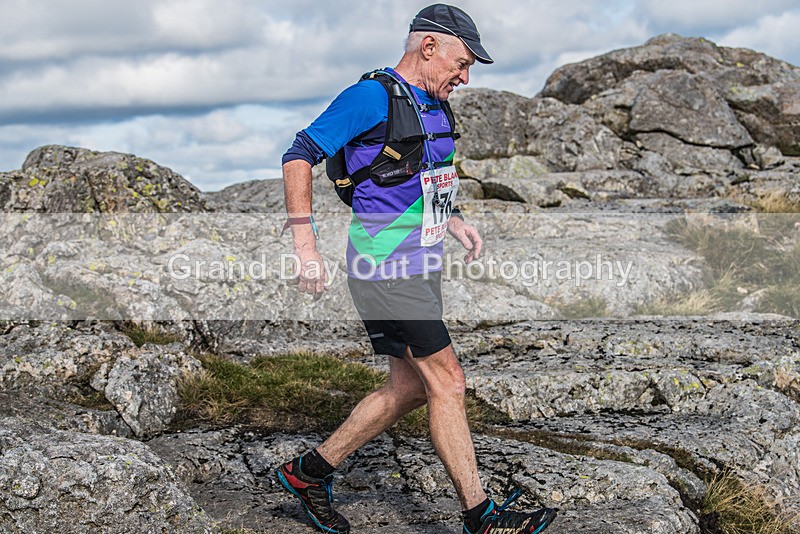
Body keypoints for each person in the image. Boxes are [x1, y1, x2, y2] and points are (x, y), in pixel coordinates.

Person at [277, 4, 558, 533]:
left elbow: (418, 176)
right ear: (429, 46)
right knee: (449, 381)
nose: (465, 76)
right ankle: (481, 515)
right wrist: (304, 244)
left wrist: (453, 221)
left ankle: (307, 473)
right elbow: (298, 155)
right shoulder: (370, 97)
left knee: (407, 388)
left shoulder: (433, 106)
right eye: (463, 62)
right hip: (385, 267)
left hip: (419, 263)